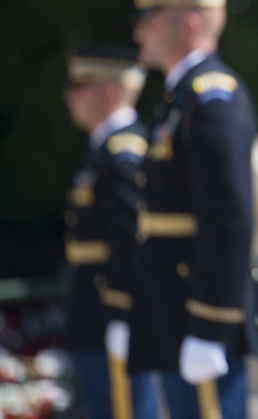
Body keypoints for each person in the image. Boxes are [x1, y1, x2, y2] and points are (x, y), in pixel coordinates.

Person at [126, 0, 258, 419]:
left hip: (197, 313)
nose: (139, 29)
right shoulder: (180, 97)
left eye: (150, 16)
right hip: (174, 310)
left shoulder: (210, 98)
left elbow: (229, 219)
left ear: (187, 22)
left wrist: (211, 324)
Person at [62, 44, 157, 419]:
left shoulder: (123, 155)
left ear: (111, 92)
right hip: (93, 316)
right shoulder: (104, 153)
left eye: (81, 85)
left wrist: (123, 316)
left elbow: (131, 244)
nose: (70, 96)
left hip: (108, 317)